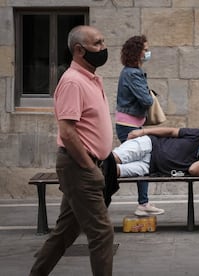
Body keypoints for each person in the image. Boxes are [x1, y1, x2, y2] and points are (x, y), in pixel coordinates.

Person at [30, 25, 114, 275]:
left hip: (88, 165)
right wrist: (90, 168)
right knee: (102, 233)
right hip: (80, 166)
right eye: (98, 43)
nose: (103, 48)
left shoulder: (91, 78)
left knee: (65, 232)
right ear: (79, 50)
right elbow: (67, 132)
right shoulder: (73, 82)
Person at [115, 35, 164, 216]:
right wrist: (150, 94)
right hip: (129, 126)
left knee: (141, 161)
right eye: (145, 49)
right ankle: (142, 203)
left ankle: (143, 202)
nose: (147, 52)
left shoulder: (129, 72)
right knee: (140, 161)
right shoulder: (133, 73)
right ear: (137, 52)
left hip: (129, 124)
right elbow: (144, 99)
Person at [113, 127, 199, 178]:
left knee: (115, 171)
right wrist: (143, 131)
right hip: (150, 144)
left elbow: (193, 170)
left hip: (150, 167)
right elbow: (172, 131)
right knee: (115, 158)